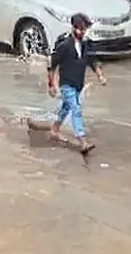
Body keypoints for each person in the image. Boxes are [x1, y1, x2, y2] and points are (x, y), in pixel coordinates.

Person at [26, 13, 106, 155]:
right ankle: (82, 141)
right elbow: (52, 65)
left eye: (85, 30)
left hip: (78, 84)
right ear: (73, 28)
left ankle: (54, 130)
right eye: (81, 29)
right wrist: (51, 85)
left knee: (65, 108)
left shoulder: (85, 44)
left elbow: (92, 61)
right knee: (76, 109)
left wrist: (100, 75)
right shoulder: (64, 46)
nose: (83, 32)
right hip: (66, 84)